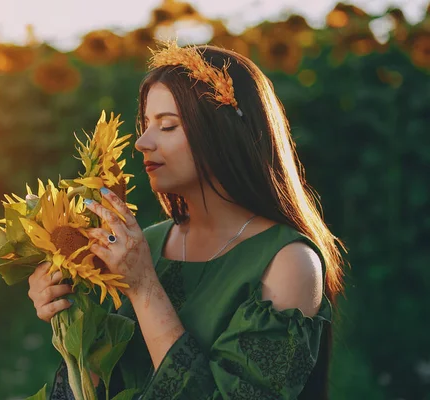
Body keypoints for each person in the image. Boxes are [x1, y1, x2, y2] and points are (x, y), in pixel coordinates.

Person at [27, 42, 346, 400]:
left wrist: (145, 287)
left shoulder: (289, 263)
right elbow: (99, 383)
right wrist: (71, 311)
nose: (143, 142)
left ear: (222, 132)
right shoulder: (147, 243)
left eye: (167, 126)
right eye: (146, 124)